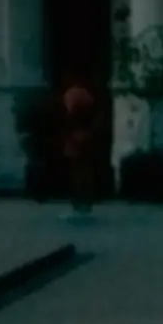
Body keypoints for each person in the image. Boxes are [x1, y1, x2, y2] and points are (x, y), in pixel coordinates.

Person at [58, 74, 103, 219]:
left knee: (77, 173)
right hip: (87, 137)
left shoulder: (72, 95)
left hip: (76, 138)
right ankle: (86, 205)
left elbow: (69, 117)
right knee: (86, 172)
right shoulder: (89, 97)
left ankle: (78, 205)